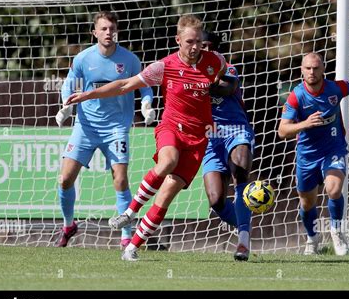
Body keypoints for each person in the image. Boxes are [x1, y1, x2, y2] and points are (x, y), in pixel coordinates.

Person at [65, 14, 228, 261]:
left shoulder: (214, 61)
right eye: (189, 42)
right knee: (167, 161)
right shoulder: (164, 66)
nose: (194, 47)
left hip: (198, 139)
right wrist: (87, 95)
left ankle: (132, 248)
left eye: (198, 42)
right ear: (178, 40)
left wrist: (219, 87)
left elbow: (223, 73)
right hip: (171, 128)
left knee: (165, 197)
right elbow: (123, 85)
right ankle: (131, 212)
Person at [54, 11, 155, 248]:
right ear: (95, 32)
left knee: (120, 180)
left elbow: (145, 86)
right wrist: (66, 106)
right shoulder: (82, 58)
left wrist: (147, 103)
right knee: (65, 179)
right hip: (86, 126)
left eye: (111, 28)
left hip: (117, 128)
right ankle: (69, 225)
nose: (108, 32)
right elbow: (69, 84)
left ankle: (126, 236)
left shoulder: (129, 60)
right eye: (103, 28)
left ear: (116, 31)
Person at [277, 52, 349, 256]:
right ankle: (312, 238)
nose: (312, 72)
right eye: (308, 68)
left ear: (322, 69)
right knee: (307, 202)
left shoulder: (335, 88)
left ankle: (337, 230)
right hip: (307, 155)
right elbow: (282, 131)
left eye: (316, 68)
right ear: (302, 70)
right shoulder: (296, 96)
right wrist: (305, 124)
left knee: (334, 189)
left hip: (333, 149)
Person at [200, 31, 255, 261]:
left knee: (240, 171)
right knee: (216, 200)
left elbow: (226, 88)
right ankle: (245, 227)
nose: (201, 50)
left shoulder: (228, 69)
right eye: (196, 45)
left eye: (206, 46)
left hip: (235, 130)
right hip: (209, 137)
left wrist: (199, 85)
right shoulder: (186, 72)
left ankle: (243, 243)